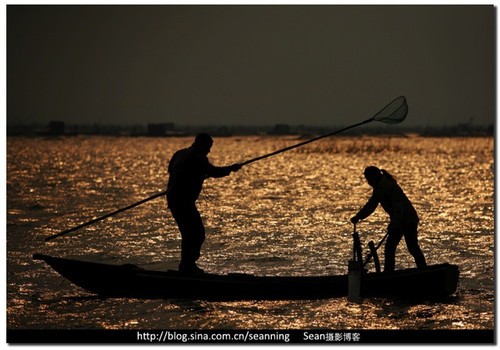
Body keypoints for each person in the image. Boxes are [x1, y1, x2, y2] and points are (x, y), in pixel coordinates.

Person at [167, 133, 242, 275]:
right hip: (182, 201)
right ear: (201, 144)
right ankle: (188, 266)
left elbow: (171, 170)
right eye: (208, 147)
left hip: (173, 198)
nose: (209, 151)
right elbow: (214, 171)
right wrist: (231, 169)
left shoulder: (180, 153)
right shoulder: (199, 158)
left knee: (189, 233)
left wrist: (196, 174)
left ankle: (187, 265)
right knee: (197, 233)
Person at [350, 166, 427, 272]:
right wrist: (358, 216)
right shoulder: (378, 188)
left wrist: (394, 224)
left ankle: (423, 270)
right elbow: (371, 205)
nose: (368, 182)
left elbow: (399, 208)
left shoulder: (389, 186)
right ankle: (388, 272)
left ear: (373, 177)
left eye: (368, 179)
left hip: (408, 220)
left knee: (412, 247)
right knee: (390, 247)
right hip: (398, 221)